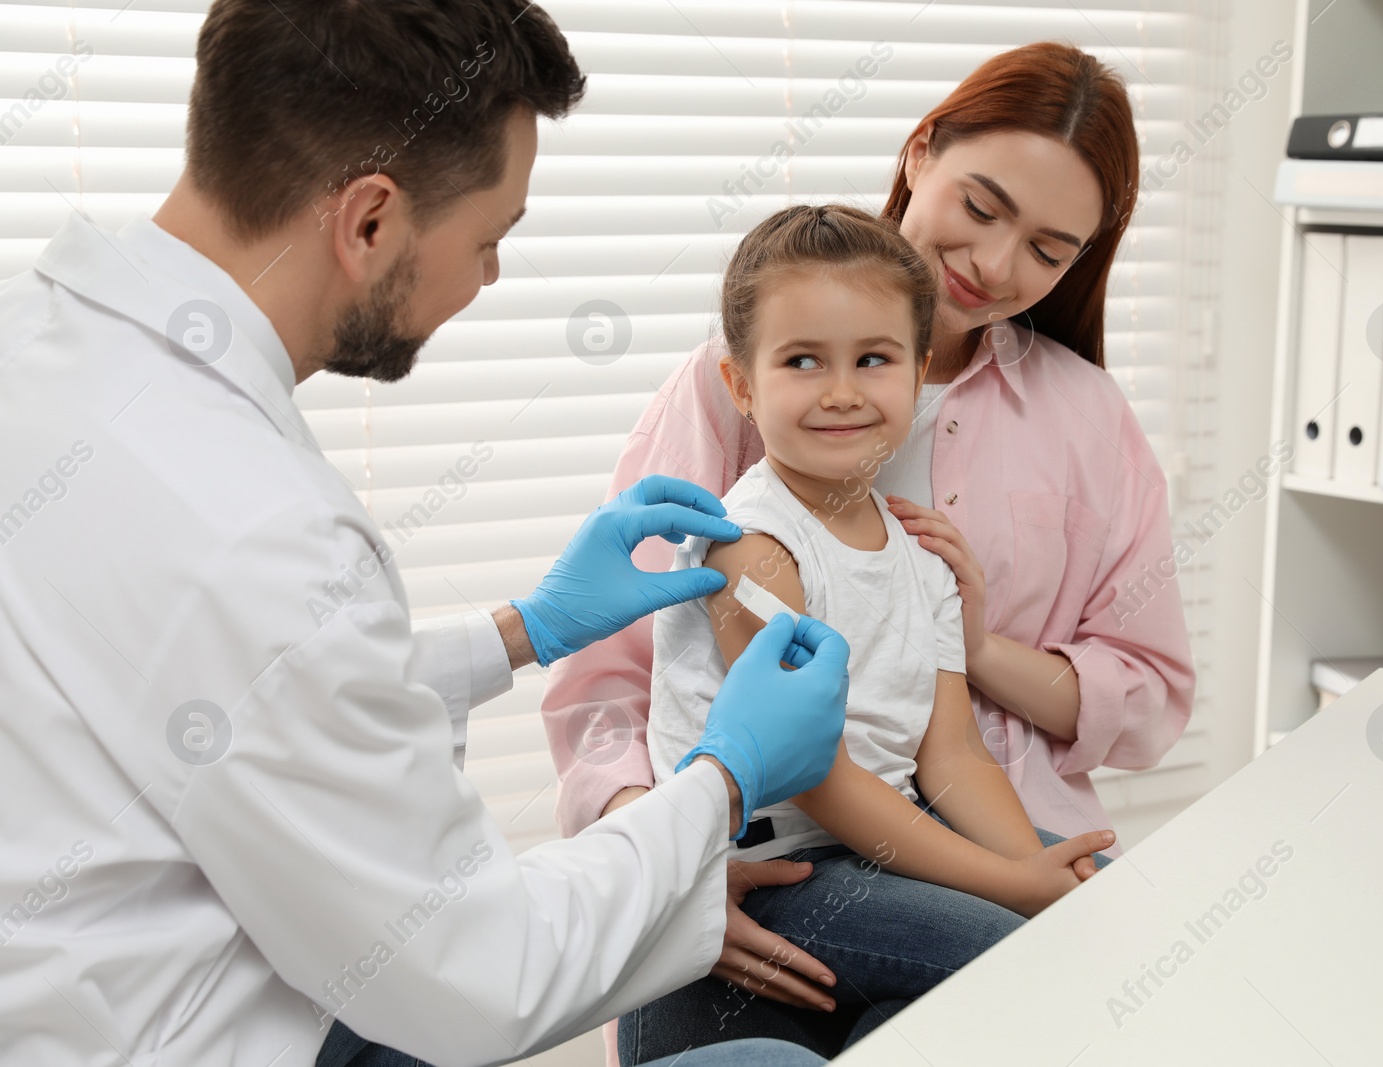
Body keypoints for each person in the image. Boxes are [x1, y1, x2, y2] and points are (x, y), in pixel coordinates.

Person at [0, 4, 849, 1066]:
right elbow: (475, 976)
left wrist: (519, 631)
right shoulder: (259, 526)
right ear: (369, 221)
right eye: (488, 240)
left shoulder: (40, 340)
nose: (486, 278)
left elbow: (214, 680)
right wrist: (726, 776)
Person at [543, 40, 1198, 1059]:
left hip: (976, 842)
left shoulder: (1067, 430)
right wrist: (661, 860)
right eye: (979, 209)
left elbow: (1118, 700)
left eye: (1047, 249)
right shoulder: (742, 448)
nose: (992, 265)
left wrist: (981, 655)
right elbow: (609, 671)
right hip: (762, 860)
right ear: (921, 149)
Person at [620, 203, 1117, 1064]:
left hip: (878, 843)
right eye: (803, 360)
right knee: (1022, 946)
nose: (843, 390)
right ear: (742, 384)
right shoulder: (756, 549)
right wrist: (1011, 887)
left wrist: (1039, 870)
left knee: (1104, 898)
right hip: (779, 866)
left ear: (918, 372)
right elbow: (813, 774)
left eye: (874, 359)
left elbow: (952, 753)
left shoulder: (918, 550)